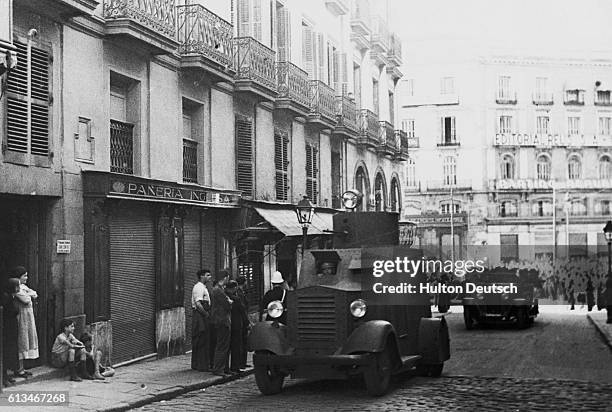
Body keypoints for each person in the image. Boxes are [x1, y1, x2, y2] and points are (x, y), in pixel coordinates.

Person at [12, 266, 39, 377]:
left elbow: (34, 292)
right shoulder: (16, 288)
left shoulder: (23, 287)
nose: (26, 278)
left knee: (27, 339)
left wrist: (30, 293)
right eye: (24, 276)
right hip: (22, 317)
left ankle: (22, 368)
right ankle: (19, 368)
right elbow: (26, 299)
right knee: (22, 340)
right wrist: (30, 294)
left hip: (28, 317)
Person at [210, 270, 232, 377]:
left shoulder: (218, 289)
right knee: (222, 345)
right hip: (222, 320)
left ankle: (223, 368)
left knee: (223, 345)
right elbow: (227, 304)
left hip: (222, 320)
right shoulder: (218, 290)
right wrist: (229, 301)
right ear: (225, 278)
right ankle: (218, 368)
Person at [191, 269, 212, 372]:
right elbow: (198, 304)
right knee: (201, 338)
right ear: (202, 276)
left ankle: (201, 363)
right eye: (208, 275)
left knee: (203, 339)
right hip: (200, 315)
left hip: (202, 315)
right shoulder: (198, 287)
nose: (210, 277)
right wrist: (206, 314)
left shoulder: (203, 287)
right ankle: (200, 365)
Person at [227, 280, 249, 373]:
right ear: (234, 288)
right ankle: (235, 366)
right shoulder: (236, 299)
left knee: (229, 347)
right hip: (237, 324)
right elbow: (243, 311)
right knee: (236, 346)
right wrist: (248, 323)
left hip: (229, 324)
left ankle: (228, 367)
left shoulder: (226, 296)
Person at [2, 278, 20, 386]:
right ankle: (3, 377)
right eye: (17, 286)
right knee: (5, 352)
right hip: (7, 329)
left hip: (12, 328)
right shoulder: (6, 298)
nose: (18, 288)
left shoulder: (12, 297)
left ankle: (6, 376)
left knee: (10, 352)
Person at [236, 276, 251, 369]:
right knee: (242, 342)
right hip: (241, 320)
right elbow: (242, 308)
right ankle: (241, 363)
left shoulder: (240, 292)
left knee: (243, 342)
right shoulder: (239, 293)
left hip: (242, 319)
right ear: (244, 283)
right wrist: (247, 321)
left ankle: (243, 362)